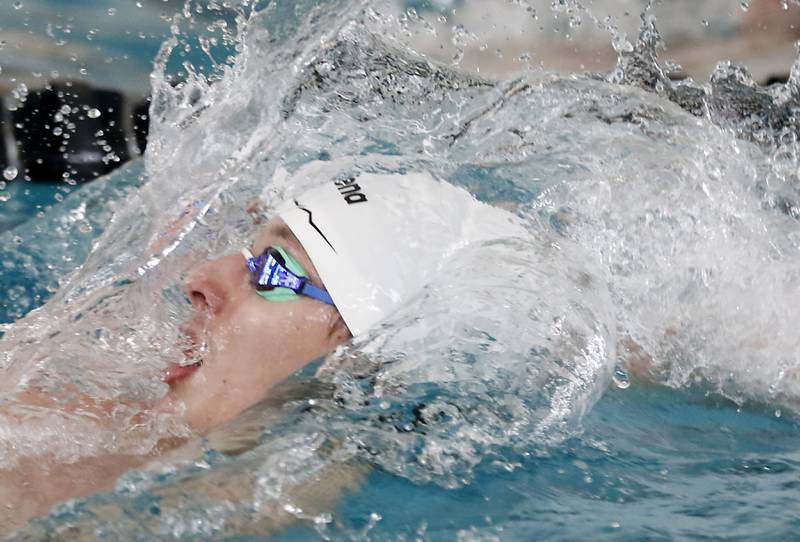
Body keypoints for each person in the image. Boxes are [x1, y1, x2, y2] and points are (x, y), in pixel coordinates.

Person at [0, 159, 525, 534]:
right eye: (242, 249)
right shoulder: (78, 417)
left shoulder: (220, 512)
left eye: (273, 271)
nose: (199, 277)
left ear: (354, 355)